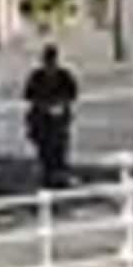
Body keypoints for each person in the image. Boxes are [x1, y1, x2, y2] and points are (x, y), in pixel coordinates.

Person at [24, 44, 82, 192]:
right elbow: (28, 95)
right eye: (47, 61)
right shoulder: (37, 76)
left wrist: (61, 103)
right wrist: (42, 104)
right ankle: (47, 173)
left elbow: (72, 93)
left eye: (52, 60)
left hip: (59, 118)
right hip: (42, 119)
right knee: (44, 147)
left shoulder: (64, 75)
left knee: (59, 146)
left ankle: (59, 172)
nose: (50, 64)